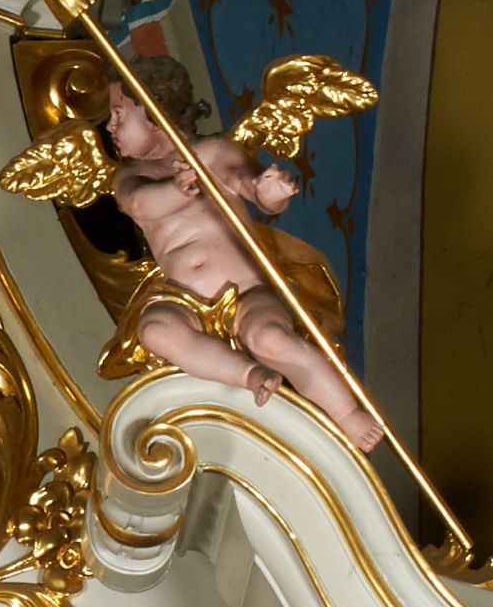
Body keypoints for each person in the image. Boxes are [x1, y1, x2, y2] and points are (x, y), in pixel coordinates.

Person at [103, 54, 384, 452]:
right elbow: (140, 205)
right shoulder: (129, 175)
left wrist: (270, 191)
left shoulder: (214, 152)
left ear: (153, 111)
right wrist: (177, 188)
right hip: (181, 297)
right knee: (155, 330)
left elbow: (253, 188)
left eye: (118, 114)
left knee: (272, 338)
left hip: (245, 290)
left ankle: (347, 413)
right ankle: (249, 374)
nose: (110, 126)